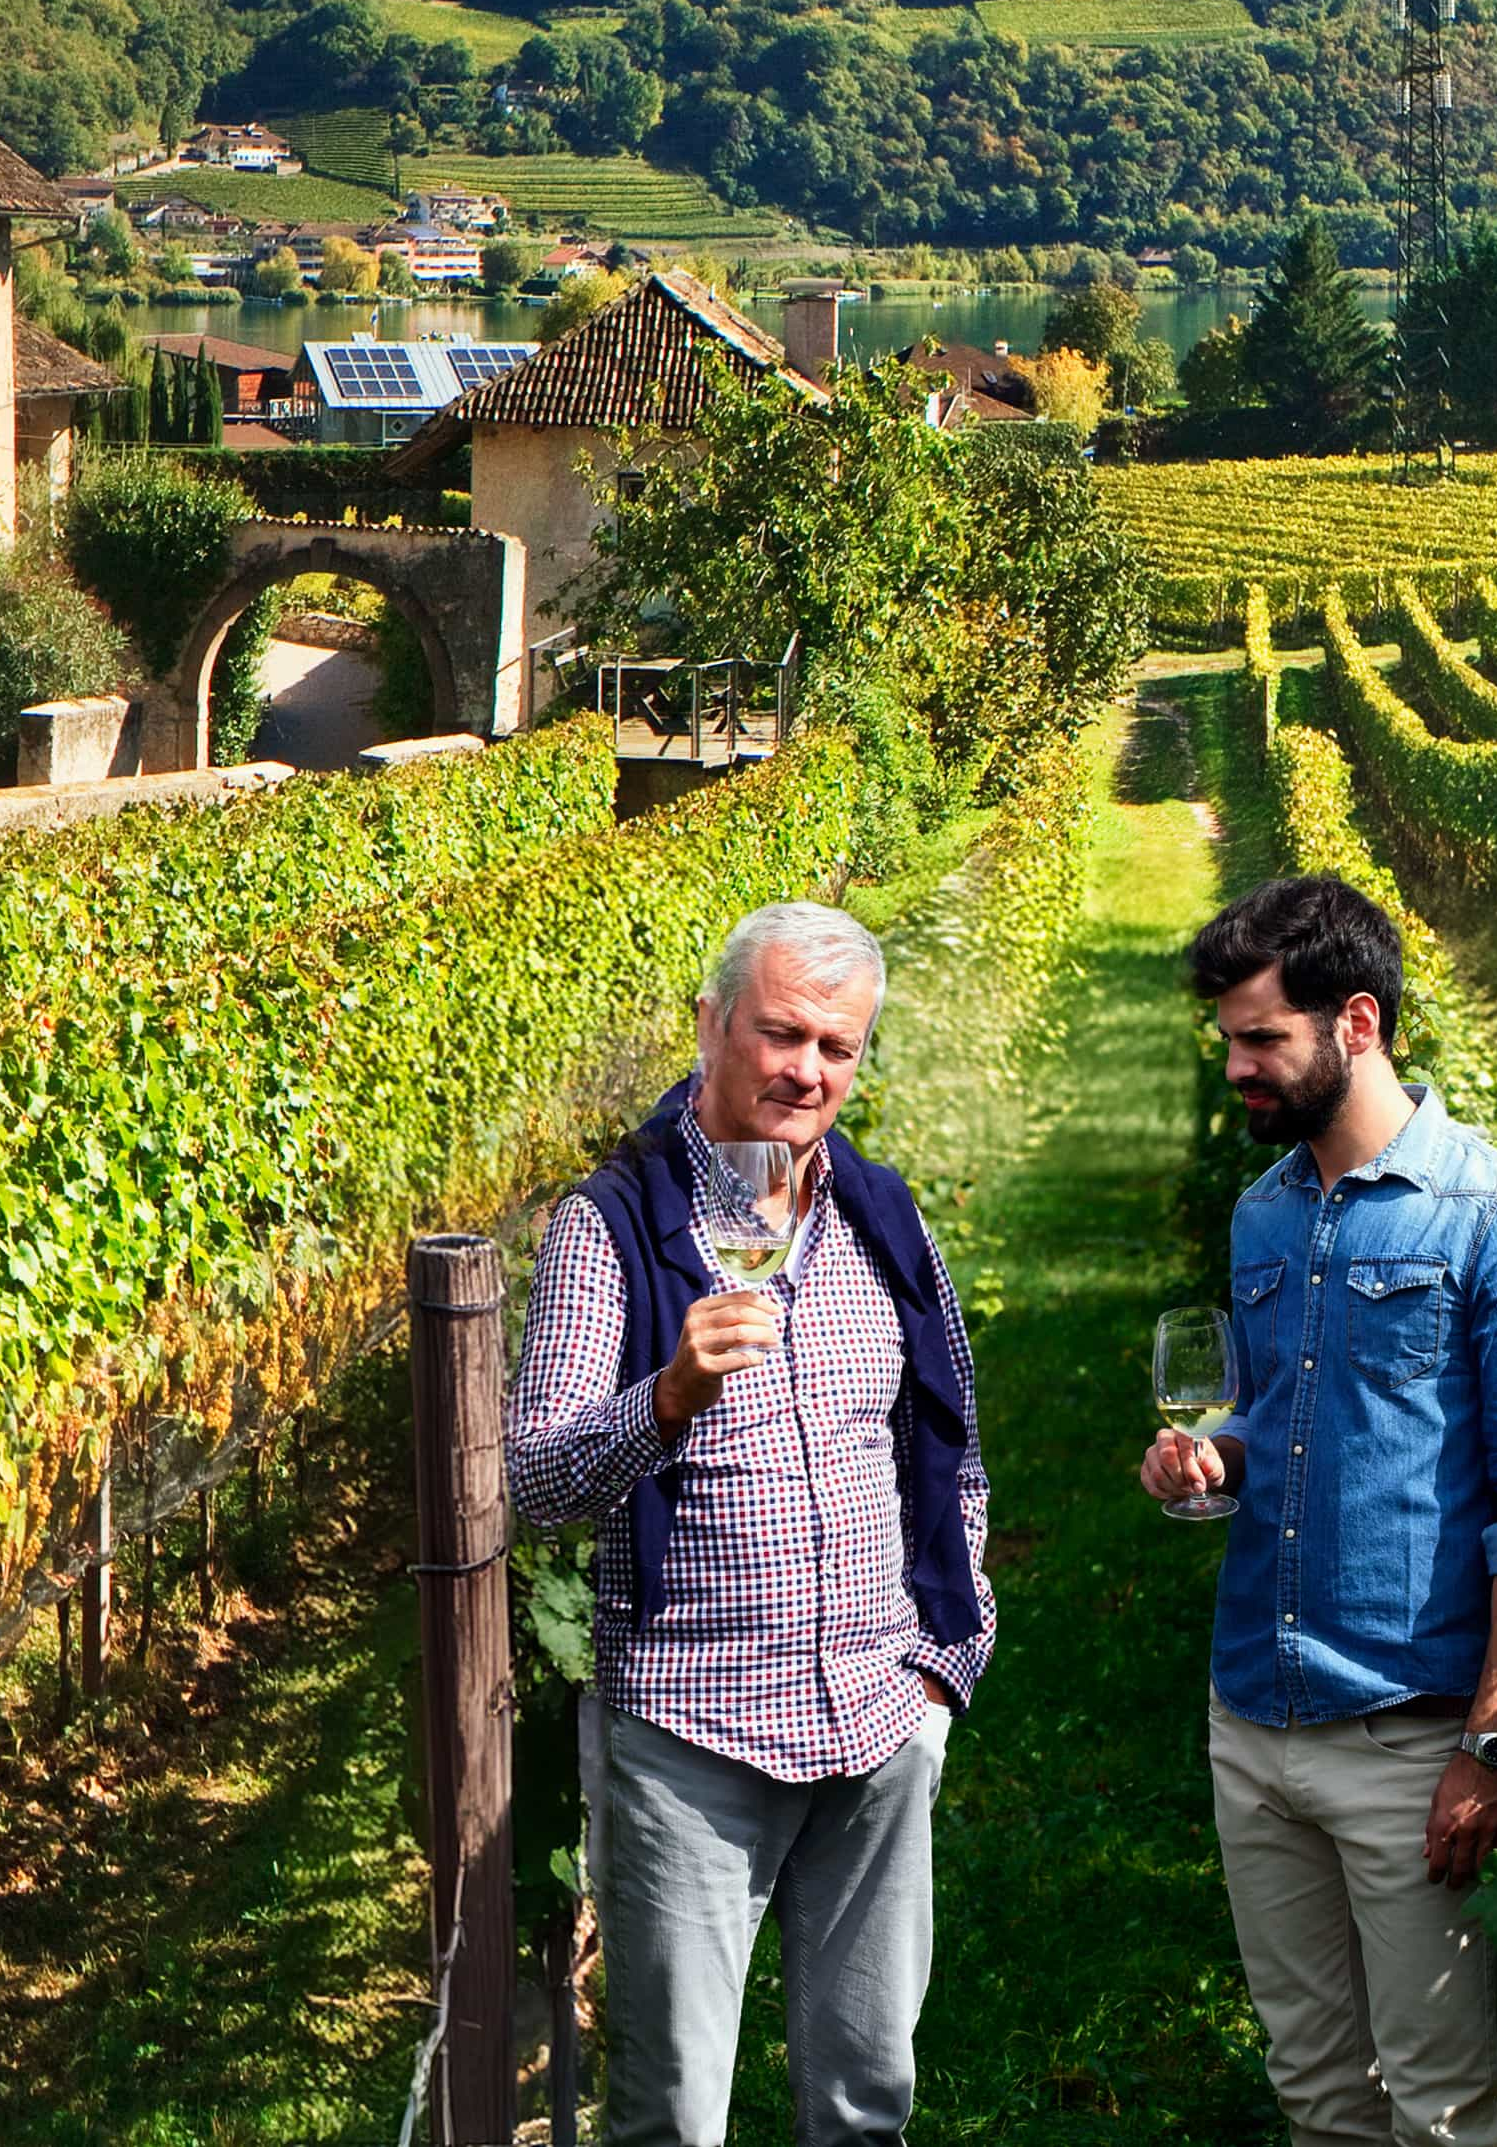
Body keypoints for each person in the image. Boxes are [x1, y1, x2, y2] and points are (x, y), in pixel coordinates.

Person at [509, 897, 994, 2143]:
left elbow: (950, 1450)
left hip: (879, 1724)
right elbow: (529, 1482)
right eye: (782, 1034)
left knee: (866, 2097)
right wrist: (667, 1397)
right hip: (692, 1734)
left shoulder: (879, 1213)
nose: (807, 1070)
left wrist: (944, 1660)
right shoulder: (607, 1225)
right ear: (711, 1024)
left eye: (838, 1046)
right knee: (673, 2113)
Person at [1136, 872, 1497, 2147]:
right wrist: (1211, 1455)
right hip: (1253, 1713)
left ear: (1357, 1024)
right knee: (1318, 2095)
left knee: (1443, 2111)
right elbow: (1286, 1409)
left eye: (1258, 1037)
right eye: (1227, 1037)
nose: (1235, 1065)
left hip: (1409, 1738)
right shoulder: (1265, 1211)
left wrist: (1488, 1746)